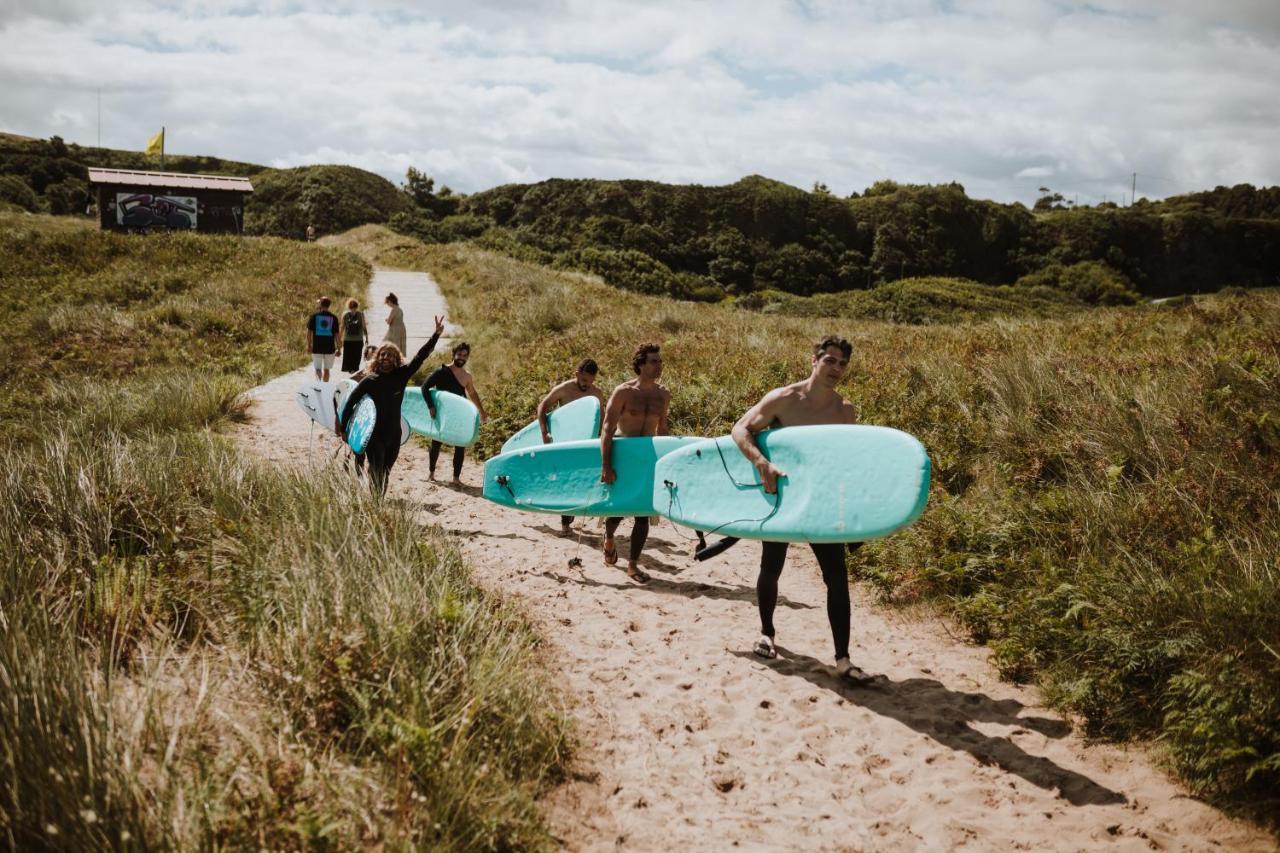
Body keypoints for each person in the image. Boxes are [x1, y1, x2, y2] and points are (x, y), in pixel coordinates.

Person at [730, 336, 868, 683]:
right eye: (830, 361)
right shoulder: (784, 399)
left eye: (842, 364)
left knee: (837, 578)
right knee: (771, 565)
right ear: (814, 360)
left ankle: (843, 659)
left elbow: (845, 462)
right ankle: (766, 634)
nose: (836, 369)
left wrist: (854, 512)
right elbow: (740, 429)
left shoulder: (844, 411)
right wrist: (762, 463)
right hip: (786, 496)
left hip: (821, 501)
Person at [339, 316, 446, 496]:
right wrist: (344, 429)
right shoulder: (370, 380)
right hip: (374, 433)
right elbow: (351, 403)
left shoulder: (401, 376)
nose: (386, 357)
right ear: (378, 358)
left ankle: (377, 497)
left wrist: (435, 335)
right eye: (382, 354)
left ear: (396, 358)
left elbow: (420, 358)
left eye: (389, 354)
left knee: (386, 471)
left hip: (394, 433)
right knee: (377, 465)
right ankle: (375, 501)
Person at [600, 342, 669, 583]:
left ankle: (633, 565)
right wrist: (606, 466)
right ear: (640, 365)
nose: (659, 365)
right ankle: (608, 537)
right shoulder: (624, 392)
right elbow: (607, 430)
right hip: (624, 455)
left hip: (647, 458)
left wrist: (666, 463)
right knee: (618, 508)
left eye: (660, 361)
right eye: (653, 361)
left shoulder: (663, 394)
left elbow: (663, 430)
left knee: (643, 514)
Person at [536, 358, 605, 536]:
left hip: (584, 443)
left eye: (590, 381)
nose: (586, 385)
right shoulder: (564, 389)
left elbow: (603, 419)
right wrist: (544, 432)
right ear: (577, 374)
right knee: (567, 480)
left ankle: (569, 515)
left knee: (579, 480)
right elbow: (542, 406)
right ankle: (566, 522)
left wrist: (600, 439)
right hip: (564, 442)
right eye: (583, 381)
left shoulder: (596, 394)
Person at [422, 342, 488, 483]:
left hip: (459, 414)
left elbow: (472, 393)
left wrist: (482, 411)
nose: (461, 358)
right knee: (436, 444)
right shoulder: (441, 371)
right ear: (453, 354)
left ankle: (456, 478)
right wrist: (431, 406)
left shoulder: (467, 376)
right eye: (459, 354)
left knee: (460, 445)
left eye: (465, 356)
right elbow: (425, 387)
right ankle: (431, 473)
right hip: (443, 414)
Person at [305, 296, 339, 382]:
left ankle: (319, 386)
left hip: (317, 347)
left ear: (320, 304)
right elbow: (337, 335)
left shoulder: (314, 317)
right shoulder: (334, 318)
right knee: (327, 370)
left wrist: (309, 345)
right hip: (330, 348)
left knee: (317, 369)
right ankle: (325, 387)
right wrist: (339, 348)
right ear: (329, 305)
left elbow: (309, 333)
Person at [337, 298, 368, 373]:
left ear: (348, 306)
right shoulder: (361, 314)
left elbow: (342, 328)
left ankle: (350, 370)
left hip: (348, 340)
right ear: (357, 306)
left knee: (348, 356)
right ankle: (354, 369)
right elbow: (364, 327)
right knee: (357, 357)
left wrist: (339, 339)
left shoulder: (345, 314)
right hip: (358, 340)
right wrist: (367, 338)